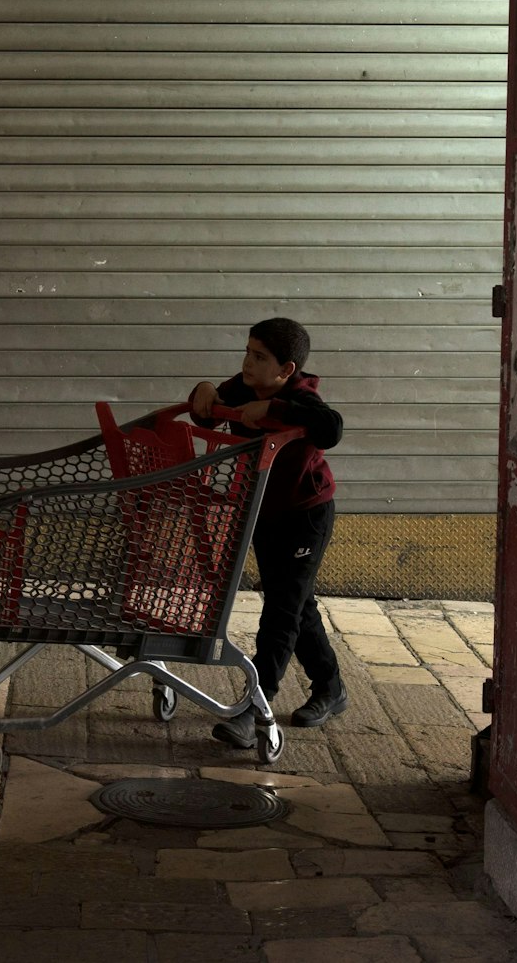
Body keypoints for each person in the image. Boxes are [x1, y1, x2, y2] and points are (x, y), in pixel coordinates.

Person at [188, 317, 347, 745]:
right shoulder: (244, 387)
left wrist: (275, 411)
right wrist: (204, 389)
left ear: (286, 370)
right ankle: (331, 687)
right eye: (247, 352)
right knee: (294, 603)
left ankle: (254, 707)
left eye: (260, 357)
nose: (248, 363)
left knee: (281, 611)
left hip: (306, 516)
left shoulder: (302, 397)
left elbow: (331, 427)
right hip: (262, 511)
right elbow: (207, 406)